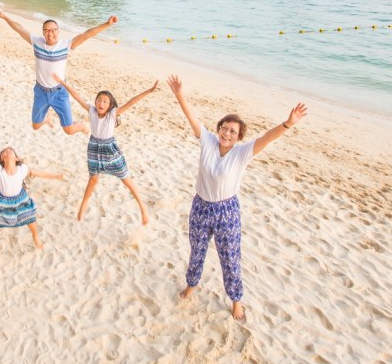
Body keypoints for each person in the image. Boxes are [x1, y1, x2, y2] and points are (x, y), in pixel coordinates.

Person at [167, 74, 307, 321]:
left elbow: (266, 138)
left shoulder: (242, 153)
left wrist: (288, 123)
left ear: (239, 136)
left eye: (233, 131)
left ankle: (236, 300)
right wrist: (179, 94)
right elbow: (192, 118)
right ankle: (192, 284)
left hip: (226, 211)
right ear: (219, 128)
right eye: (224, 128)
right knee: (196, 250)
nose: (227, 133)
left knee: (230, 256)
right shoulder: (208, 141)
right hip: (201, 206)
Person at [53, 74, 157, 224]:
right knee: (93, 179)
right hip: (94, 148)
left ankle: (143, 208)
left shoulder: (112, 114)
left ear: (110, 105)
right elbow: (76, 96)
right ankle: (83, 207)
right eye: (99, 100)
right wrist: (63, 83)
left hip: (110, 150)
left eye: (105, 101)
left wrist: (149, 91)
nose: (101, 103)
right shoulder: (91, 110)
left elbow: (131, 102)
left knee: (125, 178)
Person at [0, 11, 118, 134]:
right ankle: (46, 119)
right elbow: (19, 29)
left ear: (58, 31)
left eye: (53, 30)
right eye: (46, 30)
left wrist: (107, 24)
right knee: (35, 126)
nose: (50, 33)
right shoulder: (37, 43)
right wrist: (5, 17)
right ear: (43, 33)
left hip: (59, 93)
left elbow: (87, 34)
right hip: (40, 92)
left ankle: (81, 125)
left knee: (69, 130)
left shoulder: (66, 46)